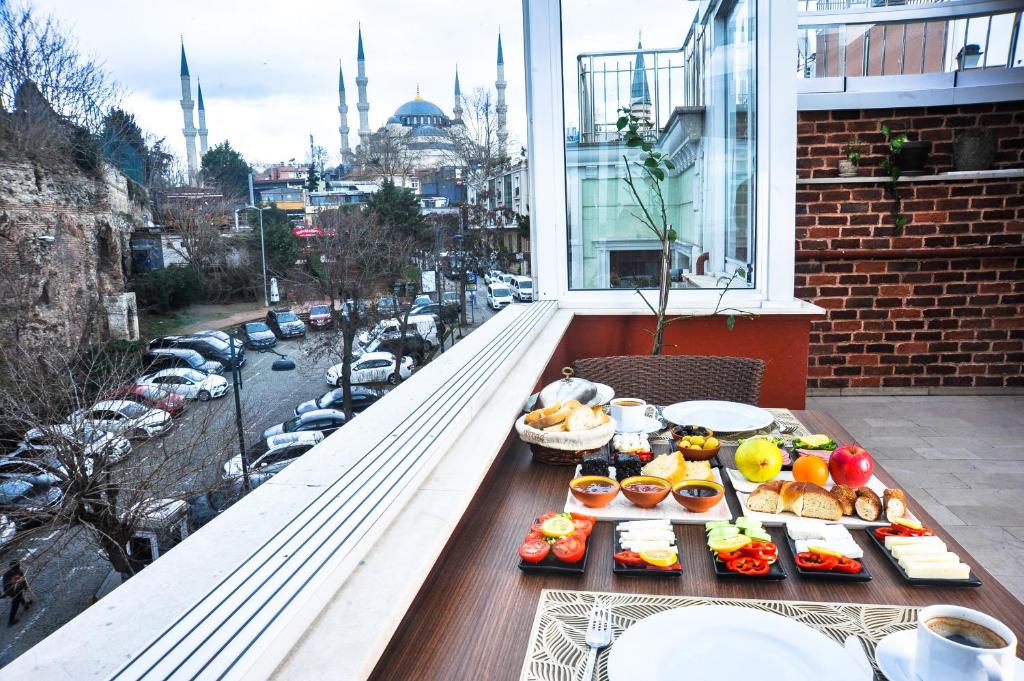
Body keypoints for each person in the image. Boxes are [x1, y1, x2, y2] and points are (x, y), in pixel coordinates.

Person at [3, 560, 31, 627]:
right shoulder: (7, 575)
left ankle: (25, 605)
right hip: (11, 591)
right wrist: (13, 591)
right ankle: (10, 621)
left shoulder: (19, 571)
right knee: (15, 603)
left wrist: (25, 587)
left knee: (19, 595)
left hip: (17, 588)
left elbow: (23, 580)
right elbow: (6, 586)